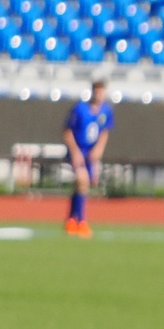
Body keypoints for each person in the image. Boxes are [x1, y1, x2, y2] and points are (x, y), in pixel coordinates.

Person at [62, 79, 113, 238]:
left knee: (83, 186)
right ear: (92, 92)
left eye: (102, 92)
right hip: (78, 150)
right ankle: (82, 222)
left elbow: (104, 132)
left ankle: (71, 219)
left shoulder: (106, 110)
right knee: (82, 180)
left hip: (91, 153)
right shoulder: (80, 109)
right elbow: (68, 131)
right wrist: (75, 152)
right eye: (97, 92)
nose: (100, 95)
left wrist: (98, 150)